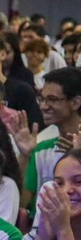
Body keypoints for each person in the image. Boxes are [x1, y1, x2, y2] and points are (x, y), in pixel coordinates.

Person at [25, 68, 81, 212]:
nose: (43, 106)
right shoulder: (41, 149)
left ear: (75, 102)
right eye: (42, 99)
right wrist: (24, 156)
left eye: (52, 99)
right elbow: (22, 204)